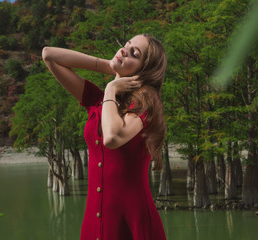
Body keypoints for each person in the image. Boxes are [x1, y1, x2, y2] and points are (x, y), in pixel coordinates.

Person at [42, 33, 167, 240]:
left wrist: (111, 88)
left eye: (134, 54)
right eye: (126, 45)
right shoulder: (96, 99)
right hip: (94, 221)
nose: (124, 50)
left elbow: (112, 137)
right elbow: (49, 55)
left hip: (133, 224)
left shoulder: (146, 103)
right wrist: (108, 66)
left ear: (144, 71)